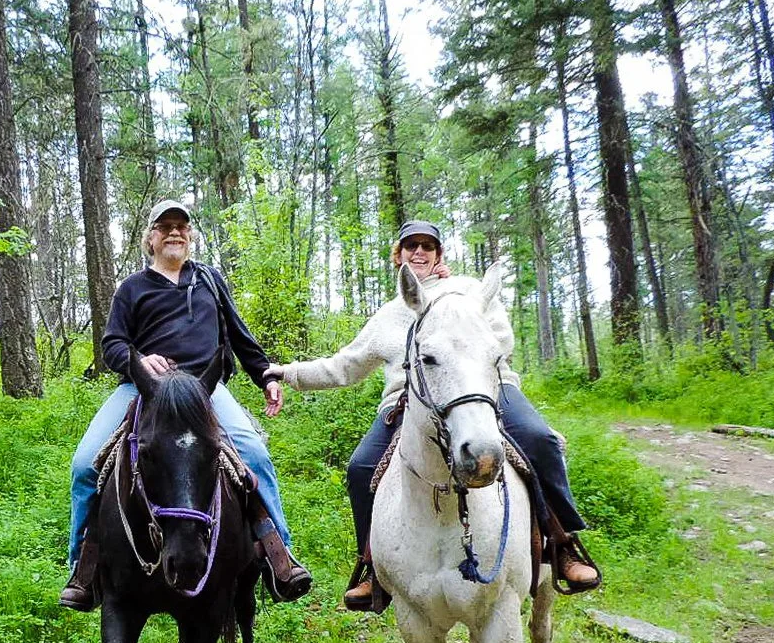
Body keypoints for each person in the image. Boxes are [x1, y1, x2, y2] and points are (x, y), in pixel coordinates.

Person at [266, 219, 600, 610]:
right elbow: (345, 366)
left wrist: (455, 305)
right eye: (411, 246)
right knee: (359, 468)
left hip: (485, 388)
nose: (419, 252)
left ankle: (563, 544)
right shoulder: (390, 315)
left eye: (428, 246)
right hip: (407, 405)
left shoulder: (469, 292)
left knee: (538, 439)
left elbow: (502, 341)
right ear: (399, 256)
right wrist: (286, 372)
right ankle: (372, 567)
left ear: (439, 255)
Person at [60, 198, 313, 611]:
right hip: (145, 392)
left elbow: (239, 335)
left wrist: (266, 374)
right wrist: (139, 360)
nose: (174, 232)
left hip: (205, 391)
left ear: (190, 235)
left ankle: (279, 555)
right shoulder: (133, 288)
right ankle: (83, 568)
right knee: (86, 463)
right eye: (165, 226)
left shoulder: (210, 281)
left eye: (181, 226)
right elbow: (112, 345)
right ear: (151, 238)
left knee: (253, 454)